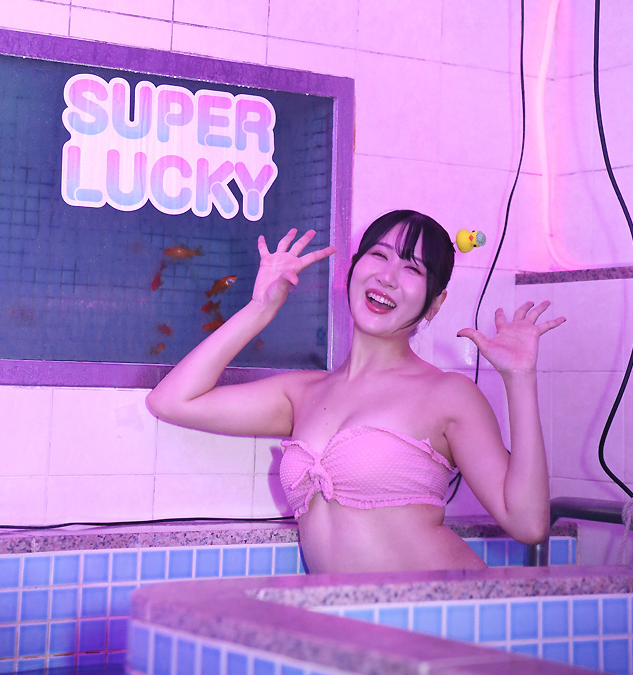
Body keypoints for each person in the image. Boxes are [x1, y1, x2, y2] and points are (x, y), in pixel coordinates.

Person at [146, 210, 565, 573]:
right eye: (379, 255)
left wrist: (519, 377)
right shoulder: (302, 393)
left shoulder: (447, 394)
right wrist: (261, 308)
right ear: (353, 268)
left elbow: (528, 525)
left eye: (412, 269)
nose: (387, 277)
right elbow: (172, 400)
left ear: (434, 304)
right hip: (349, 623)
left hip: (442, 617)